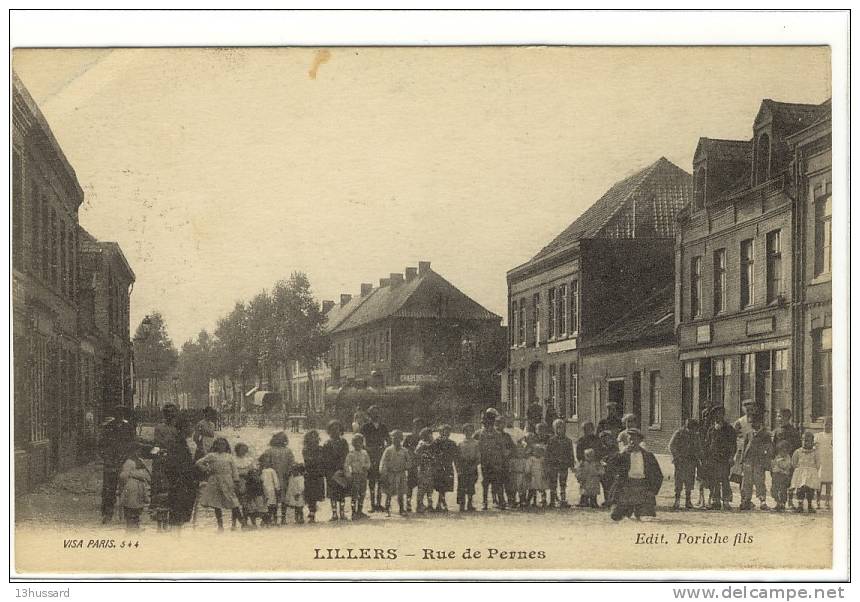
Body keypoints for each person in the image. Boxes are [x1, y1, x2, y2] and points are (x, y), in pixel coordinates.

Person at [609, 429, 663, 521]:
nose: (632, 442)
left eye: (634, 439)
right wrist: (621, 453)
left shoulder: (648, 456)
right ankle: (628, 509)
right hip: (627, 486)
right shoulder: (624, 455)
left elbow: (658, 475)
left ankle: (640, 509)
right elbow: (610, 464)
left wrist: (653, 490)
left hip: (643, 486)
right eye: (630, 439)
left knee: (646, 517)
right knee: (616, 516)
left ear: (640, 441)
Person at [99, 405, 137, 524]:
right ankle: (107, 514)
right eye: (117, 414)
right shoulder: (108, 427)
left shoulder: (128, 428)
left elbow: (133, 444)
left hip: (124, 462)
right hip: (111, 462)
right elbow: (101, 445)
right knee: (108, 489)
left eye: (121, 414)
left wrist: (128, 458)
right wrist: (106, 457)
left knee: (127, 488)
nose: (119, 416)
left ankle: (127, 514)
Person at [195, 437, 240, 532]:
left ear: (226, 445)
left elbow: (234, 470)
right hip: (215, 481)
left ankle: (235, 523)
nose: (221, 446)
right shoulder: (212, 455)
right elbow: (199, 463)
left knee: (233, 502)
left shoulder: (229, 456)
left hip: (227, 480)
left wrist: (236, 480)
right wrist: (207, 470)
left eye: (223, 444)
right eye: (219, 444)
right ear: (215, 445)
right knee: (217, 503)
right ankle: (220, 525)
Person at [164, 416, 198, 529]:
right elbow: (172, 463)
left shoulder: (193, 441)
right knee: (178, 508)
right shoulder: (176, 442)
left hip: (189, 480)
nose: (192, 429)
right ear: (183, 428)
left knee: (185, 508)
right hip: (180, 480)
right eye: (190, 426)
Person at [479, 414, 515, 510]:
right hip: (486, 462)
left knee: (497, 482)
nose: (488, 426)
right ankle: (485, 502)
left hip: (496, 462)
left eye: (489, 424)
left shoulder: (498, 435)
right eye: (486, 425)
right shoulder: (482, 434)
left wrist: (504, 455)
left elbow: (503, 449)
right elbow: (479, 448)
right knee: (485, 483)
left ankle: (501, 501)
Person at [704, 406, 737, 510]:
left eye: (721, 414)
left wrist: (731, 457)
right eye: (716, 414)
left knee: (724, 479)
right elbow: (708, 443)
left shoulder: (729, 429)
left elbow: (733, 444)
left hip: (724, 458)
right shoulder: (711, 429)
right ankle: (716, 501)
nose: (718, 416)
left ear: (723, 415)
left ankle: (726, 501)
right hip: (713, 458)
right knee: (714, 479)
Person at [739, 415, 773, 511]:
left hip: (759, 461)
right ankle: (746, 500)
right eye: (752, 423)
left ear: (760, 423)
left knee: (759, 481)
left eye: (755, 423)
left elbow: (769, 448)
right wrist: (742, 460)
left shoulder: (765, 434)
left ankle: (762, 501)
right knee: (746, 481)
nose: (753, 425)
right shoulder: (749, 433)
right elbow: (744, 447)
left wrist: (766, 461)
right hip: (748, 460)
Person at [360, 406, 391, 513]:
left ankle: (379, 503)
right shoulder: (365, 427)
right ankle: (373, 504)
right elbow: (359, 440)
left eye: (377, 413)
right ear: (369, 414)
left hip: (380, 455)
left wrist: (385, 449)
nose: (375, 415)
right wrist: (366, 449)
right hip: (370, 455)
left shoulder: (383, 427)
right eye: (373, 413)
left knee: (380, 480)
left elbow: (389, 441)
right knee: (372, 481)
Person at [772, 408, 803, 508]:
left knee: (789, 481)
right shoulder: (777, 431)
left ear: (787, 418)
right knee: (778, 481)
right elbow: (774, 445)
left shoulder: (793, 431)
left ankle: (789, 501)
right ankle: (779, 502)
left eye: (780, 416)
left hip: (790, 460)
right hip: (779, 460)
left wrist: (794, 460)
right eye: (777, 416)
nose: (778, 418)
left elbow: (798, 446)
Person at [118, 442, 152, 531]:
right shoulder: (140, 462)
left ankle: (132, 527)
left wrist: (123, 486)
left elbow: (123, 476)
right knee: (135, 508)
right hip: (139, 488)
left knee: (131, 508)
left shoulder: (129, 462)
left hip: (131, 487)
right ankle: (134, 526)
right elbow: (147, 476)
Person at [668, 418, 701, 510]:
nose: (693, 431)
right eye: (691, 429)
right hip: (680, 461)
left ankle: (688, 500)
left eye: (694, 429)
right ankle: (677, 500)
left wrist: (698, 457)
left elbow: (698, 448)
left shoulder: (695, 435)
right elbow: (671, 446)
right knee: (679, 481)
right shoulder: (679, 433)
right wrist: (676, 456)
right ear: (687, 427)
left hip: (691, 461)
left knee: (689, 481)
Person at [322, 420, 350, 521]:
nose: (335, 431)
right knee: (333, 493)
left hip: (341, 470)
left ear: (340, 430)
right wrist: (330, 471)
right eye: (332, 429)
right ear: (329, 431)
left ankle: (342, 512)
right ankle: (334, 513)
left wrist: (341, 468)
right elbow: (325, 458)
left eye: (337, 429)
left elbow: (346, 456)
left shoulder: (344, 442)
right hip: (331, 472)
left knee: (342, 492)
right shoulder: (327, 444)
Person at [379, 430, 410, 516]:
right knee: (389, 492)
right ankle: (387, 509)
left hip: (401, 474)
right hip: (390, 474)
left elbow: (409, 462)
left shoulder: (404, 451)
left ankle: (401, 509)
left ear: (401, 439)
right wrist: (383, 472)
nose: (395, 440)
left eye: (397, 438)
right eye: (393, 438)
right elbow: (383, 461)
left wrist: (405, 466)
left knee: (401, 492)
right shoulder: (388, 450)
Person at [235, 442, 266, 528]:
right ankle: (237, 522)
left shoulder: (249, 460)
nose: (243, 451)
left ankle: (246, 520)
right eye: (241, 449)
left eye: (245, 449)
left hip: (248, 483)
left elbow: (253, 471)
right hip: (237, 482)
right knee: (237, 503)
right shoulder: (233, 459)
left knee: (247, 503)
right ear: (237, 449)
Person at [546, 419, 574, 508]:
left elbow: (571, 453)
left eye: (561, 428)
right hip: (553, 464)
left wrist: (572, 464)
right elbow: (548, 452)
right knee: (553, 483)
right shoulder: (551, 440)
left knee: (563, 482)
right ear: (554, 429)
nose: (559, 430)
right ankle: (552, 500)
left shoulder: (568, 441)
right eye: (557, 428)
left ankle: (563, 499)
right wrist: (548, 463)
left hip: (564, 464)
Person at [791, 431, 821, 514]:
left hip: (811, 474)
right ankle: (800, 505)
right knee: (800, 490)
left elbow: (818, 463)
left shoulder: (815, 452)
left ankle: (810, 505)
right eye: (803, 440)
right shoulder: (798, 452)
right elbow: (794, 462)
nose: (805, 442)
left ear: (812, 442)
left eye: (807, 441)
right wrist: (798, 469)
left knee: (810, 490)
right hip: (800, 473)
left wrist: (813, 470)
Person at [344, 433, 371, 520]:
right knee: (354, 494)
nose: (358, 444)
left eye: (360, 442)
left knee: (362, 493)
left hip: (363, 475)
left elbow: (368, 462)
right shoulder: (351, 454)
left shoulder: (365, 453)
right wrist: (348, 474)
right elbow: (346, 465)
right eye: (356, 442)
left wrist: (366, 467)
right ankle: (353, 512)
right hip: (355, 475)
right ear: (353, 443)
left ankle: (360, 511)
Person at [302, 430, 326, 523]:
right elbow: (308, 460)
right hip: (310, 473)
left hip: (318, 474)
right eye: (311, 437)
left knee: (315, 494)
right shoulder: (306, 449)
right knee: (309, 494)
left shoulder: (320, 448)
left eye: (315, 437)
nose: (313, 439)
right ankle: (311, 511)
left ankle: (313, 512)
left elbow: (322, 459)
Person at [432, 424, 457, 512]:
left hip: (447, 466)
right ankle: (440, 502)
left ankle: (441, 502)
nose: (446, 433)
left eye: (448, 432)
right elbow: (433, 454)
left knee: (445, 485)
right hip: (438, 466)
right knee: (439, 485)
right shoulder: (436, 442)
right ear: (440, 432)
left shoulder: (452, 443)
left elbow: (455, 456)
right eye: (444, 431)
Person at [456, 423, 480, 512]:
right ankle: (462, 504)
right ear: (463, 432)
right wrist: (458, 468)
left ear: (473, 432)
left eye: (470, 431)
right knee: (462, 485)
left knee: (471, 485)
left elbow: (478, 457)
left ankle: (470, 504)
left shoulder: (476, 443)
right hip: (463, 466)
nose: (468, 433)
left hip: (472, 465)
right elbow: (457, 457)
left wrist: (474, 465)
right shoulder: (460, 443)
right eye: (466, 431)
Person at [413, 427, 436, 513]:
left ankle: (430, 504)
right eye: (429, 434)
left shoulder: (433, 443)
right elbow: (417, 453)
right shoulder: (421, 443)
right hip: (423, 467)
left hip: (430, 467)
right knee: (422, 487)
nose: (431, 436)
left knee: (430, 487)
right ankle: (419, 504)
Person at [403, 418, 424, 512]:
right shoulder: (409, 437)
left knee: (421, 485)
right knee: (410, 485)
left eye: (420, 426)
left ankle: (419, 504)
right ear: (413, 426)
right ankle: (408, 503)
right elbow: (404, 450)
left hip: (421, 464)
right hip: (412, 464)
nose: (418, 428)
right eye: (416, 425)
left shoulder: (424, 438)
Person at [597, 430, 619, 508]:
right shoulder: (601, 448)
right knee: (605, 485)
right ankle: (607, 500)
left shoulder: (614, 448)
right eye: (603, 440)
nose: (605, 441)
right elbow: (599, 457)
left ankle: (611, 500)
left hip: (612, 469)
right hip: (604, 470)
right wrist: (602, 460)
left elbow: (616, 456)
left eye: (607, 439)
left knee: (611, 485)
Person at [815, 416, 833, 509]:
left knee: (828, 482)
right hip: (821, 460)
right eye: (825, 424)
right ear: (823, 425)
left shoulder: (834, 436)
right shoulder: (818, 436)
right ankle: (818, 501)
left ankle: (827, 501)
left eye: (829, 424)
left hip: (829, 461)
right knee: (819, 481)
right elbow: (815, 447)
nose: (827, 426)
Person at [258, 452, 280, 526]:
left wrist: (277, 488)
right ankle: (265, 519)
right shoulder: (260, 471)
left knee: (272, 505)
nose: (266, 463)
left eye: (268, 461)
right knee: (264, 505)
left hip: (271, 490)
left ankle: (273, 519)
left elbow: (275, 480)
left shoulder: (272, 470)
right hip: (263, 491)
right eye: (264, 461)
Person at [771, 440, 793, 512]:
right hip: (776, 475)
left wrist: (779, 464)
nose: (783, 452)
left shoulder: (788, 458)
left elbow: (785, 466)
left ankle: (782, 503)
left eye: (785, 451)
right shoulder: (777, 457)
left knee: (783, 490)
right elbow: (773, 465)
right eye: (781, 451)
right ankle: (777, 502)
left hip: (784, 476)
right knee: (774, 489)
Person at [507, 439, 529, 509]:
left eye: (521, 451)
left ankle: (522, 501)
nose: (519, 453)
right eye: (518, 451)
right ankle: (513, 501)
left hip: (522, 475)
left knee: (522, 489)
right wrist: (510, 474)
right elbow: (510, 469)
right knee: (513, 488)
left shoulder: (525, 460)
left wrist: (526, 473)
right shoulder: (512, 460)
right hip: (514, 475)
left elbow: (527, 469)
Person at [525, 442, 548, 508]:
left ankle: (544, 500)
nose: (537, 453)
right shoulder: (531, 459)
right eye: (536, 451)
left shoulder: (542, 459)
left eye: (539, 451)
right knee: (532, 489)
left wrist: (545, 473)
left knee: (542, 489)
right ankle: (531, 501)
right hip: (534, 476)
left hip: (541, 476)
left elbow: (544, 467)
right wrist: (528, 472)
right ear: (533, 452)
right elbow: (528, 467)